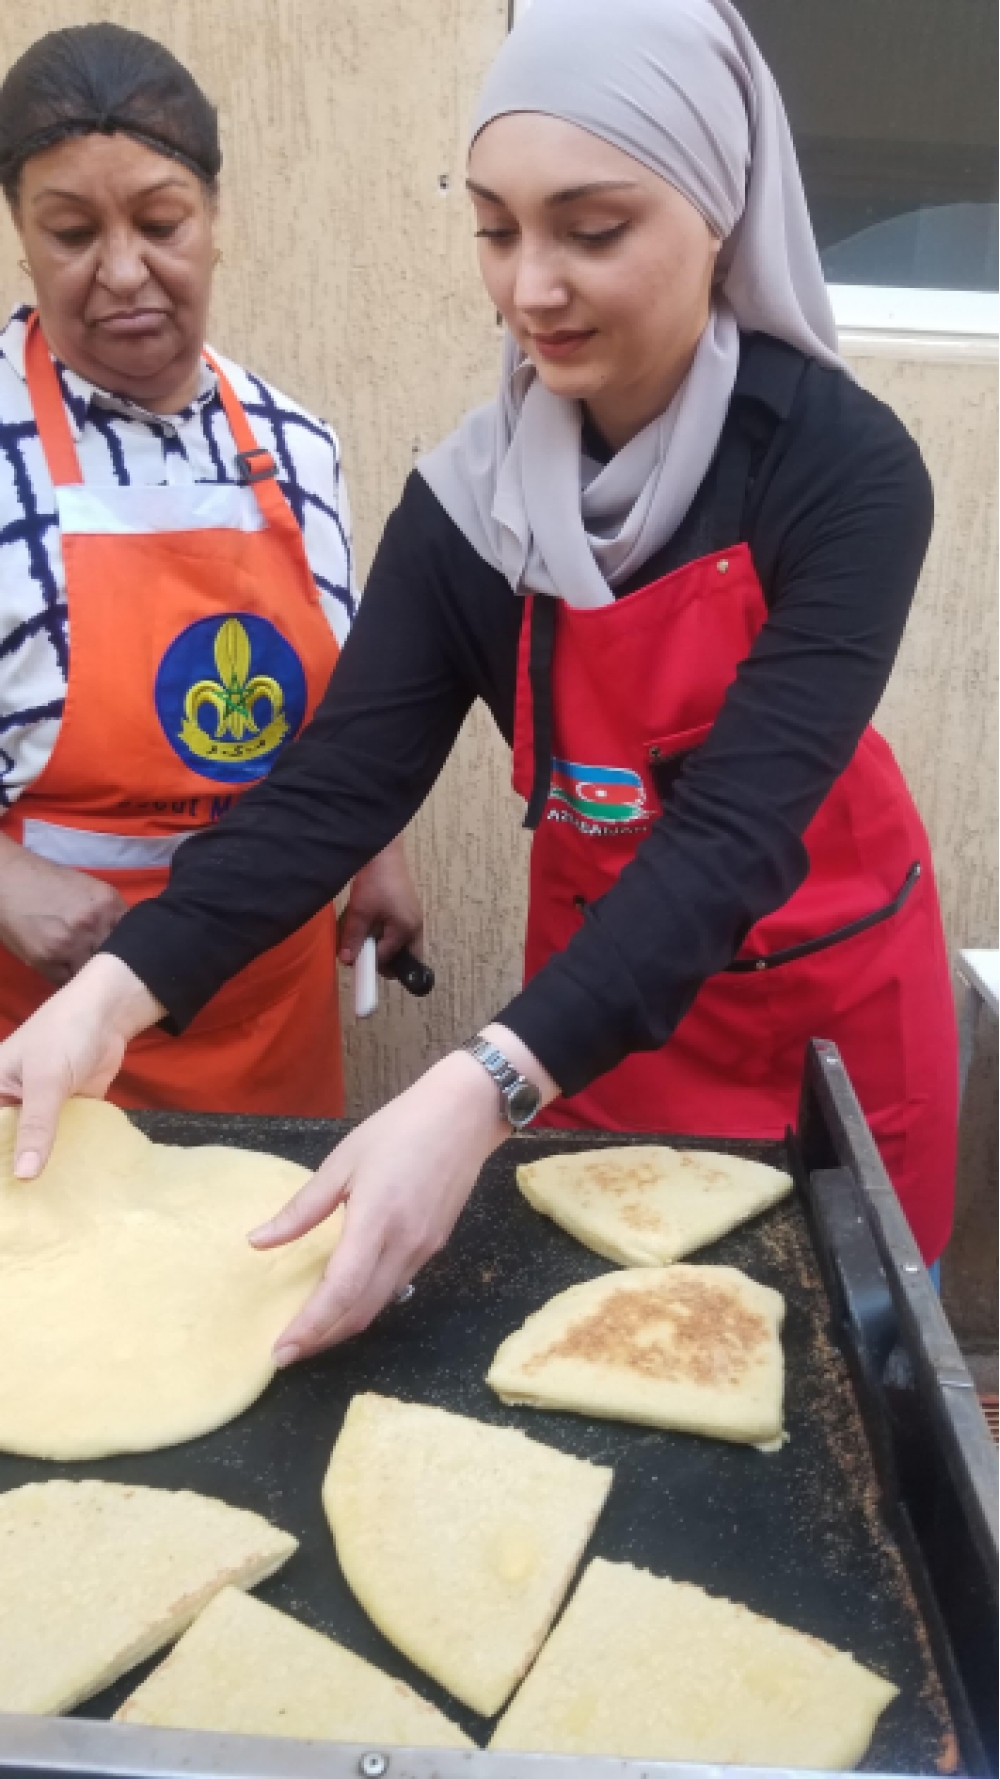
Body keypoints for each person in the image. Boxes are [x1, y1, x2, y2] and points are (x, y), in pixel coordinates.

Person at [0, 0, 957, 1354]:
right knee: (622, 1355)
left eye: (592, 229)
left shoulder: (842, 475)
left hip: (822, 1029)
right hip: (592, 1027)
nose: (529, 291)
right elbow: (336, 785)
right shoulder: (471, 505)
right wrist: (110, 996)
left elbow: (731, 840)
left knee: (840, 1375)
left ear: (721, 213)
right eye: (497, 230)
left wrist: (474, 1089)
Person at [0, 23, 421, 1117]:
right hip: (40, 1037)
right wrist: (9, 881)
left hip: (268, 1024)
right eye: (72, 232)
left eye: (161, 222)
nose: (123, 271)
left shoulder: (297, 445)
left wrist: (376, 846)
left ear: (217, 219)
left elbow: (352, 704)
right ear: (21, 236)